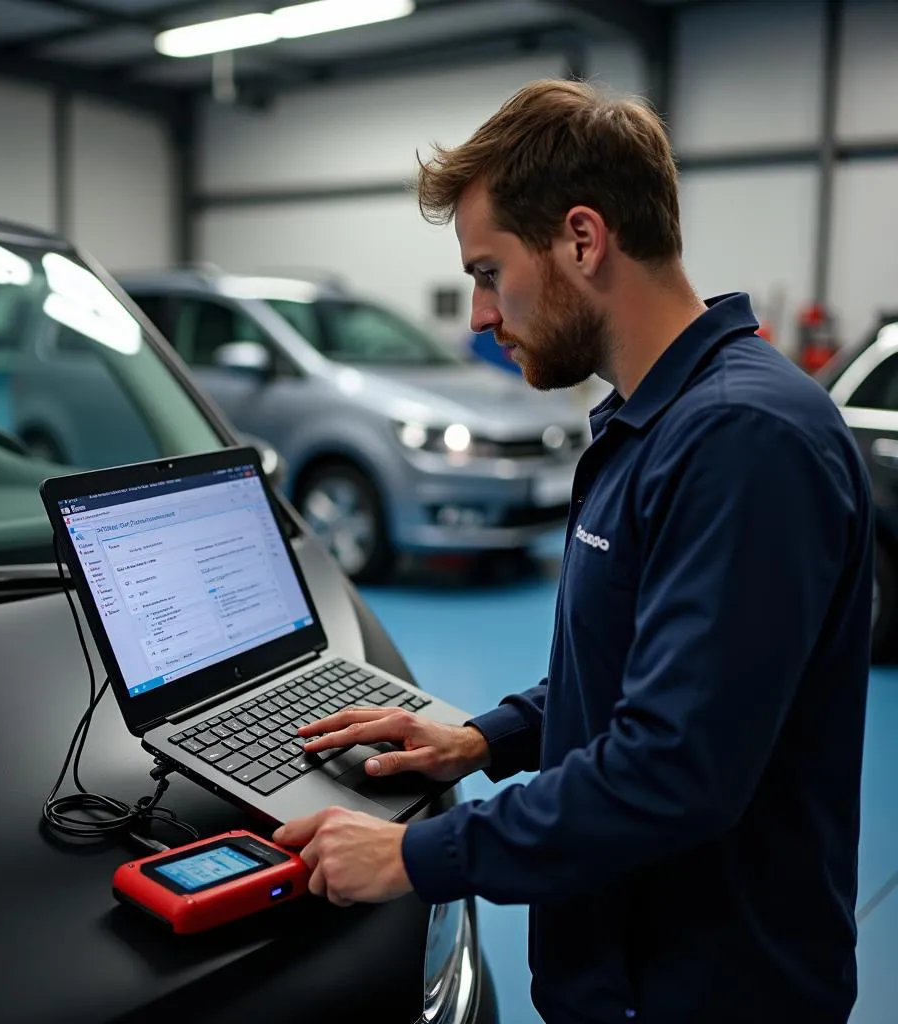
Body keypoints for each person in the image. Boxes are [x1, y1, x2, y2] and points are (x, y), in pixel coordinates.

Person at [272, 79, 874, 1024]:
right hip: (627, 966)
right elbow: (640, 664)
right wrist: (484, 740)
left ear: (583, 241)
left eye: (487, 272)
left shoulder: (740, 441)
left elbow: (676, 765)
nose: (479, 314)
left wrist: (414, 858)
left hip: (703, 987)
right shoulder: (657, 423)